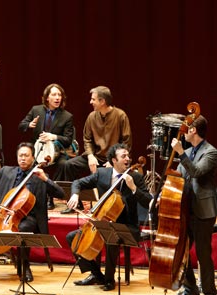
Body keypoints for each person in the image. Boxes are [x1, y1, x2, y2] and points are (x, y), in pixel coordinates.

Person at [0, 142, 65, 282]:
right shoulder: (7, 171)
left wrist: (46, 179)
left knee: (22, 229)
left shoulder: (39, 175)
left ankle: (25, 266)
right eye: (20, 155)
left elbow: (61, 194)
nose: (23, 158)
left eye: (26, 155)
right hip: (4, 216)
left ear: (33, 157)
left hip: (29, 217)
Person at [65, 143, 151, 291]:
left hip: (127, 226)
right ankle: (97, 275)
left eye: (128, 156)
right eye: (123, 156)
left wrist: (134, 188)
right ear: (113, 160)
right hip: (102, 222)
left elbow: (149, 201)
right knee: (72, 238)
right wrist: (75, 193)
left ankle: (109, 280)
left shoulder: (135, 177)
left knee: (112, 237)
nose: (128, 159)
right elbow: (77, 182)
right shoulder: (102, 174)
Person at [61, 86, 132, 213]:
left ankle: (106, 207)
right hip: (96, 156)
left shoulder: (121, 115)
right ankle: (74, 203)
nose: (90, 102)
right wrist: (90, 156)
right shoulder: (91, 116)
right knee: (68, 165)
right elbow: (87, 139)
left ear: (102, 101)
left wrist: (113, 160)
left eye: (93, 99)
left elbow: (126, 142)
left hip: (114, 159)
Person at [170, 115, 217, 295]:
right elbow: (180, 177)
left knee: (203, 253)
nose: (183, 132)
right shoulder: (188, 152)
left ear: (193, 130)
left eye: (186, 128)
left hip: (203, 210)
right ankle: (190, 287)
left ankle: (209, 290)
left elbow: (196, 172)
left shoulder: (211, 152)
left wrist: (181, 153)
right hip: (186, 208)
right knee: (181, 250)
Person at [18, 83, 75, 209]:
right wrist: (29, 125)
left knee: (63, 164)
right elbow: (21, 125)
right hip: (37, 151)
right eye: (54, 94)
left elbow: (68, 140)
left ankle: (50, 196)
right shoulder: (36, 110)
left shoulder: (67, 116)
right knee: (28, 161)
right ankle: (26, 195)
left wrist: (53, 136)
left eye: (59, 95)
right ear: (47, 98)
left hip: (57, 152)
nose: (57, 98)